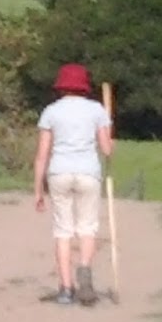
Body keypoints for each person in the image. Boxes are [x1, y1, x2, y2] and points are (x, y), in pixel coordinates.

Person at [33, 62, 113, 306]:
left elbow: (42, 154)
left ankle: (66, 289)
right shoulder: (97, 110)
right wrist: (110, 135)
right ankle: (85, 272)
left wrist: (38, 189)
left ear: (61, 87)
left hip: (59, 173)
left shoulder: (51, 111)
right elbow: (107, 150)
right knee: (87, 227)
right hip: (88, 172)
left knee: (63, 231)